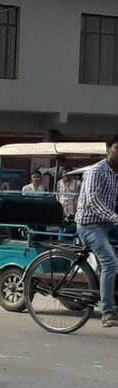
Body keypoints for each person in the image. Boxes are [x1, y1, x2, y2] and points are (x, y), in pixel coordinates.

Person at [74, 135, 118, 329]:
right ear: (108, 149)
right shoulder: (96, 171)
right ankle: (107, 311)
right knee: (110, 263)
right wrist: (115, 218)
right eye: (117, 148)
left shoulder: (117, 172)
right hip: (90, 226)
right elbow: (93, 201)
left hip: (108, 224)